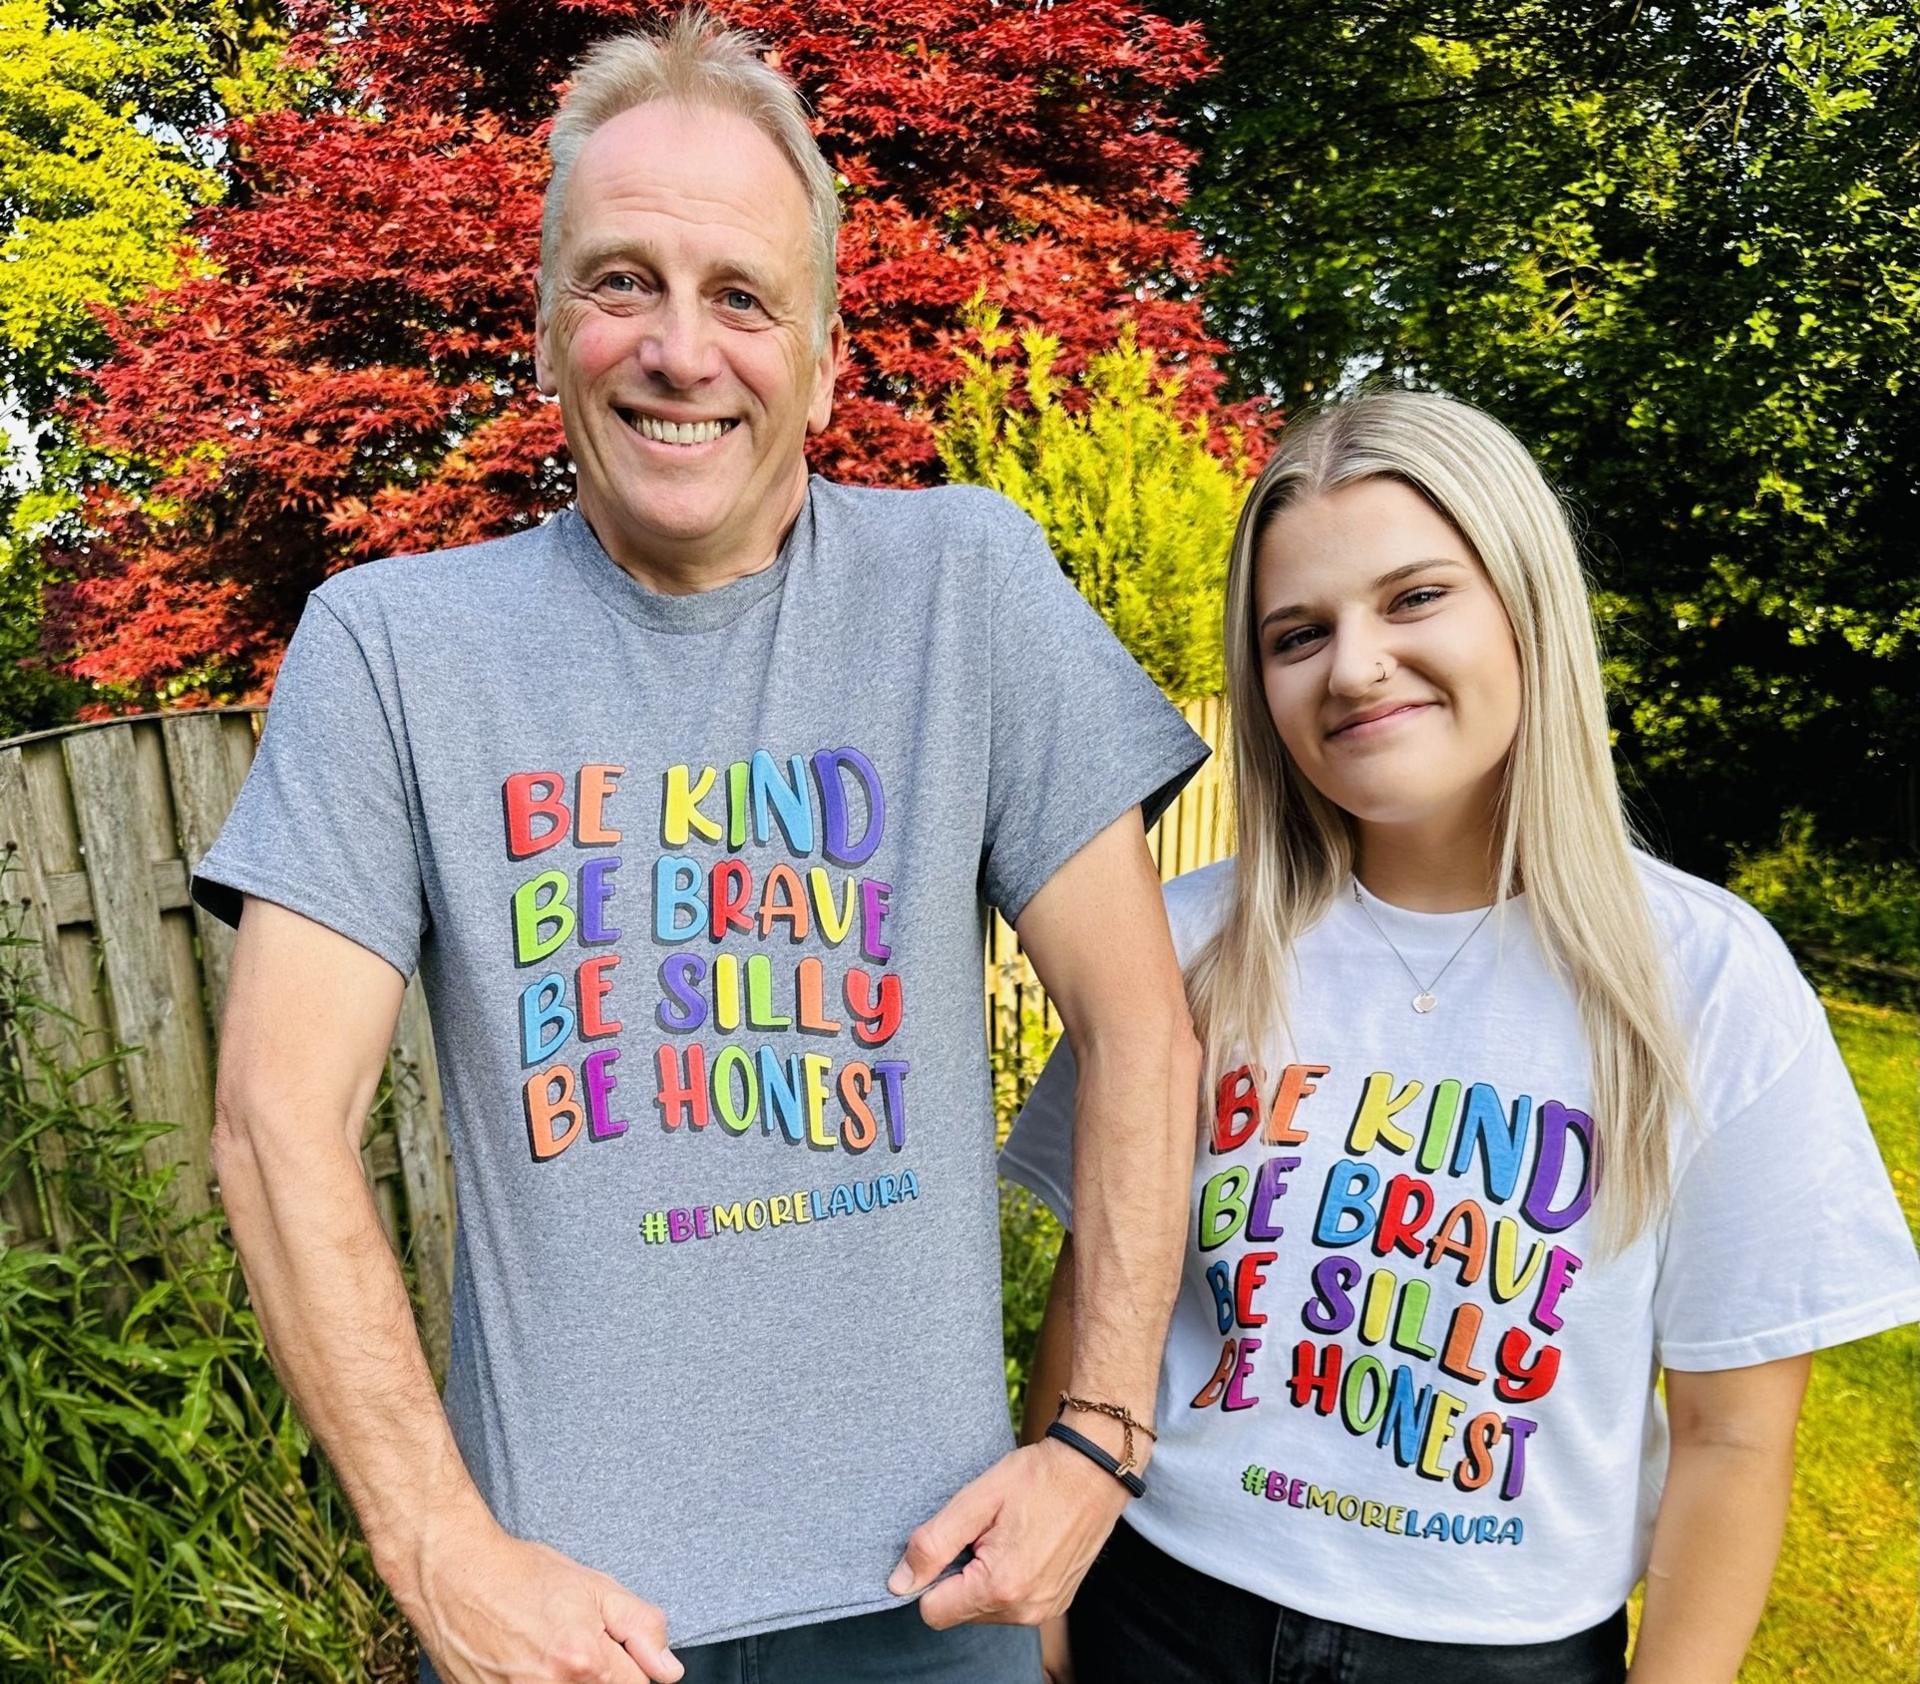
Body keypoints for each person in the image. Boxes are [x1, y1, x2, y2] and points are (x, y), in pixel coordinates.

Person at [191, 12, 1208, 1683]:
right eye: (619, 282)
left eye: (741, 296)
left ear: (819, 357)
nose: (680, 349)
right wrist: (433, 1545)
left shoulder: (965, 589)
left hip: (927, 1604)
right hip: (558, 1628)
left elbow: (1140, 1032)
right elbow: (270, 1122)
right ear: (542, 334)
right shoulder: (391, 648)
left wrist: (1094, 1440)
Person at [1001, 389, 1920, 1684]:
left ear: (1525, 605)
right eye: (1297, 632)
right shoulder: (1181, 946)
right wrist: (1044, 1588)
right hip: (1158, 1615)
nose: (1356, 664)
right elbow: (1103, 1282)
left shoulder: (1705, 983)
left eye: (1415, 597)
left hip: (1501, 1654)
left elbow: (1732, 1439)